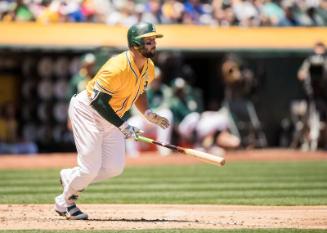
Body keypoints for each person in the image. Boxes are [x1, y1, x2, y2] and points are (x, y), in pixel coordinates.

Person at [54, 22, 170, 220]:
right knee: (89, 168)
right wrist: (124, 126)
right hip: (88, 111)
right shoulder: (117, 67)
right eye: (148, 40)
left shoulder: (149, 67)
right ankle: (66, 202)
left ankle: (70, 178)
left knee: (114, 168)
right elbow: (98, 102)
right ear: (135, 45)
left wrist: (149, 114)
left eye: (153, 40)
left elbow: (140, 92)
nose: (153, 43)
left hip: (112, 116)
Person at [126, 66, 174, 157]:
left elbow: (167, 106)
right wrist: (148, 116)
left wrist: (154, 116)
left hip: (157, 121)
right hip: (143, 119)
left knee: (167, 113)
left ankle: (163, 147)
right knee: (132, 122)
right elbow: (134, 110)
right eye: (154, 78)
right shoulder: (141, 88)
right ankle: (133, 154)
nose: (156, 81)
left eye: (158, 79)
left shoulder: (165, 90)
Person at [296, 41, 327, 150]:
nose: (319, 51)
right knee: (308, 119)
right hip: (310, 95)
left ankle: (320, 142)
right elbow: (300, 74)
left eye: (321, 49)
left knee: (321, 120)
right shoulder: (309, 60)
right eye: (317, 49)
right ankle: (308, 142)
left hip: (324, 96)